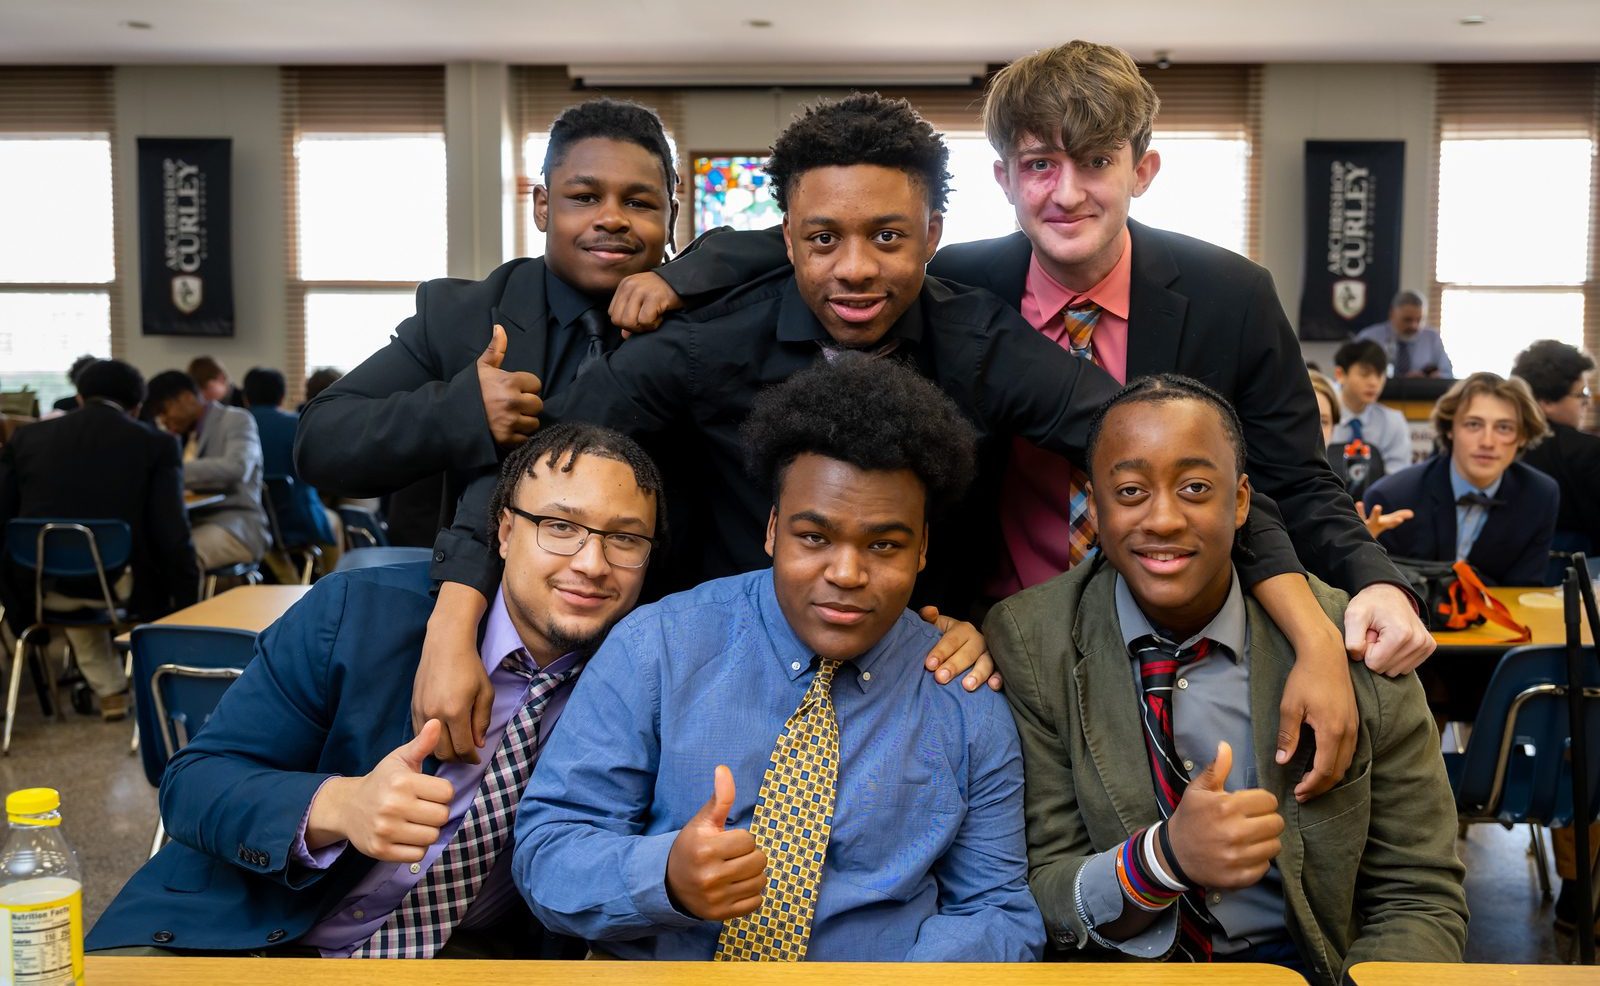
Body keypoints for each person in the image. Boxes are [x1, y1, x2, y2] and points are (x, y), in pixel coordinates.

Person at [609, 41, 1433, 683]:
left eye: (1096, 161)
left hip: (1168, 626)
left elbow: (1287, 477)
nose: (1066, 193)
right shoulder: (952, 281)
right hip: (986, 634)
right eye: (1040, 164)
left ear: (1141, 170)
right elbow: (835, 228)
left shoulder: (1231, 295)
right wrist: (684, 269)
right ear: (1004, 178)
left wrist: (1375, 582)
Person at [514, 353, 1045, 960]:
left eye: (884, 544)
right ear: (771, 529)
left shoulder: (963, 696)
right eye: (814, 537)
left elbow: (998, 908)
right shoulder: (656, 648)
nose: (846, 573)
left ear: (922, 548)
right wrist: (664, 877)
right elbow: (545, 854)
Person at [88, 422, 661, 957]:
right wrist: (339, 805)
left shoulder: (640, 678)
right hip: (252, 939)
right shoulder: (352, 614)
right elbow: (191, 786)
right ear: (506, 532)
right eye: (560, 527)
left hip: (458, 961)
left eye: (625, 539)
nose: (591, 562)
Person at [983, 374, 1467, 982]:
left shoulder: (1355, 644)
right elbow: (1044, 890)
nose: (1162, 519)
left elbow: (1417, 892)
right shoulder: (1034, 641)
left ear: (1240, 502)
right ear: (1094, 508)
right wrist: (1163, 860)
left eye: (1194, 488)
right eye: (1130, 491)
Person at [0, 360, 198, 720]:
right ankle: (133, 687)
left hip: (44, 584)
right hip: (122, 583)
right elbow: (172, 534)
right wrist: (187, 602)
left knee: (76, 570)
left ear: (79, 396)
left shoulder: (26, 439)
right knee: (127, 571)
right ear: (138, 405)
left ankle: (109, 690)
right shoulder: (155, 444)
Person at [1364, 372, 1557, 586]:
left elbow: (1523, 588)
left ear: (1522, 437)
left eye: (1504, 428)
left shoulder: (1540, 495)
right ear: (1449, 429)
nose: (1487, 442)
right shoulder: (1392, 497)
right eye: (1474, 425)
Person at [144, 370, 270, 572]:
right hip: (192, 523)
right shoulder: (178, 436)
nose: (163, 420)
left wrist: (171, 471)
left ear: (186, 397)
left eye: (163, 410)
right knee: (148, 553)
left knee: (176, 557)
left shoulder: (236, 419)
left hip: (235, 524)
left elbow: (238, 467)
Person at [243, 367, 342, 577]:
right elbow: (323, 473)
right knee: (334, 521)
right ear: (282, 396)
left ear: (246, 397)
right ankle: (333, 579)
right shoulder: (297, 424)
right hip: (298, 517)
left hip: (254, 521)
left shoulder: (238, 426)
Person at [1512, 339, 1600, 562]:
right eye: (1581, 394)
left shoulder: (1504, 444)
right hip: (1576, 574)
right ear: (1546, 402)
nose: (1587, 403)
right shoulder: (1588, 451)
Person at [1310, 370, 1410, 541]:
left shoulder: (1333, 493)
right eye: (1306, 418)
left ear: (1334, 429)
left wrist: (1362, 540)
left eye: (1324, 422)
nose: (1315, 430)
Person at [1329, 340, 1412, 475]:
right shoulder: (1321, 415)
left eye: (1379, 374)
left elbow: (1398, 478)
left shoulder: (1393, 422)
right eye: (1364, 374)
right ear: (1340, 375)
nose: (1374, 383)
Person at [1355, 290, 1453, 378]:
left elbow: (1448, 374)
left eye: (1420, 320)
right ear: (1392, 314)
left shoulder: (1432, 339)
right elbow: (1355, 373)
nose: (1414, 326)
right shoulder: (1369, 338)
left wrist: (1432, 378)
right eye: (1407, 320)